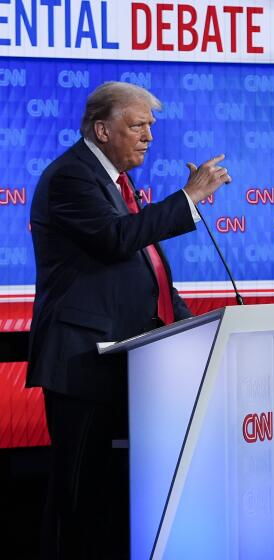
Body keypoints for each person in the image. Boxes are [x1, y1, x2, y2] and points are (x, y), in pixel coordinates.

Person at [26, 81, 232, 559]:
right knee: (76, 498)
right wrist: (189, 199)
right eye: (136, 125)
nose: (147, 137)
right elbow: (117, 239)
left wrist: (190, 327)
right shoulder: (71, 177)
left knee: (109, 500)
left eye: (150, 127)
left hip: (124, 362)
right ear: (102, 129)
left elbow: (148, 268)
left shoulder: (119, 182)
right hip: (82, 364)